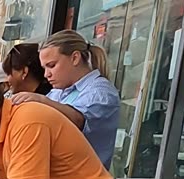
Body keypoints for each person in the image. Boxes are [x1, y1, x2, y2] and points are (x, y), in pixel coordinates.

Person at [15, 30, 121, 168]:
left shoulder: (101, 92)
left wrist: (41, 102)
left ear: (75, 58)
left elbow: (78, 120)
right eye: (44, 68)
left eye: (52, 65)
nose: (47, 74)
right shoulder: (58, 93)